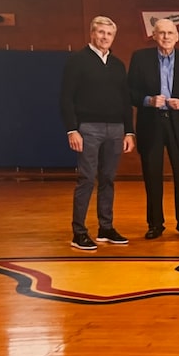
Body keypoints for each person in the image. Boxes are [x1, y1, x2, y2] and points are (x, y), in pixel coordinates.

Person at [60, 16, 135, 250]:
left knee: (108, 179)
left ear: (114, 37)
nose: (105, 37)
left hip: (115, 129)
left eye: (109, 34)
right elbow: (66, 98)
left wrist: (129, 132)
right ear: (92, 34)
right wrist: (72, 129)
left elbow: (125, 101)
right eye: (101, 32)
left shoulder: (117, 65)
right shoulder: (77, 61)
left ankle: (106, 227)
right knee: (86, 179)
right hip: (88, 129)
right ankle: (79, 232)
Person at [128, 18, 179, 240]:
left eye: (170, 33)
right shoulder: (140, 58)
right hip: (150, 123)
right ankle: (155, 224)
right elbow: (129, 92)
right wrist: (147, 100)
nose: (165, 37)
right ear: (153, 35)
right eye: (161, 33)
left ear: (177, 36)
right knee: (152, 177)